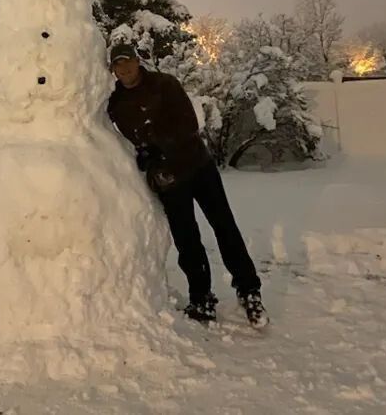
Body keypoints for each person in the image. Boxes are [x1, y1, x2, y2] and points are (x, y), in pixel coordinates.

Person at [106, 43, 268, 328]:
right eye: (118, 64)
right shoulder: (117, 104)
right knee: (187, 240)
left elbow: (188, 124)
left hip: (197, 166)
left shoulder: (164, 84)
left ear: (137, 61)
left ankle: (249, 290)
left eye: (128, 61)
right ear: (113, 70)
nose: (125, 68)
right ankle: (201, 298)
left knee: (224, 227)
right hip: (168, 179)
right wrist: (145, 156)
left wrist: (155, 146)